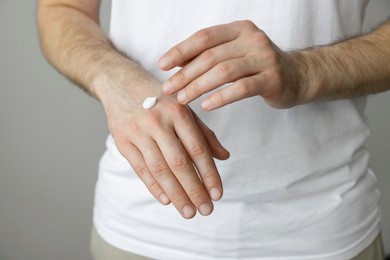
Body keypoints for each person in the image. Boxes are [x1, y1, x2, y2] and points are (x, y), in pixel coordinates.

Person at [37, 0, 389, 259]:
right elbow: (62, 8)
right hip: (141, 231)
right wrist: (114, 79)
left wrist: (307, 71)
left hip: (326, 233)